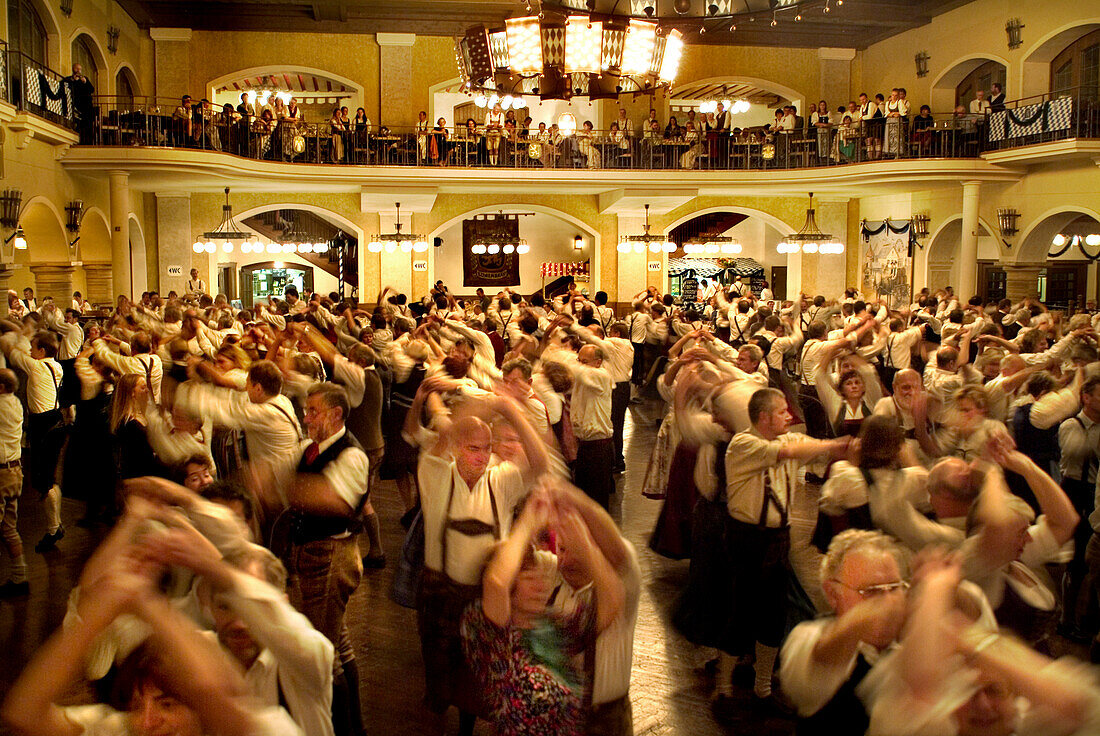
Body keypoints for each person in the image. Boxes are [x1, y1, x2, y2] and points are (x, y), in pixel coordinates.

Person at [406, 380, 549, 732]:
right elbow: (445, 434)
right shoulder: (436, 473)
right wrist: (491, 405)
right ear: (454, 449)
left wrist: (513, 412)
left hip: (486, 600)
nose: (483, 457)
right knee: (438, 689)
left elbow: (542, 463)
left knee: (481, 685)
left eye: (487, 449)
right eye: (473, 449)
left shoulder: (500, 480)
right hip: (440, 597)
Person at [716, 388, 847, 706]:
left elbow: (803, 446)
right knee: (741, 615)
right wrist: (837, 443)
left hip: (778, 538)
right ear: (763, 417)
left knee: (774, 614)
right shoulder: (744, 444)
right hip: (747, 537)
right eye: (782, 411)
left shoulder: (785, 440)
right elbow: (788, 454)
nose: (790, 416)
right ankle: (722, 690)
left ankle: (763, 689)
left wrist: (835, 446)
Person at [461, 484, 625, 736]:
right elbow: (496, 584)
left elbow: (612, 600)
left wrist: (582, 541)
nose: (540, 582)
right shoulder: (488, 634)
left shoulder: (549, 625)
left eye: (537, 572)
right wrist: (528, 521)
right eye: (527, 576)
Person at [0, 369, 26, 597]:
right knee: (9, 528)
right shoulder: (16, 402)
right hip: (14, 471)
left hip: (2, 474)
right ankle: (20, 576)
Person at [65, 63, 96, 144]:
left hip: (87, 105)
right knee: (78, 124)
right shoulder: (69, 79)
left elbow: (92, 90)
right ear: (73, 69)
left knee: (88, 124)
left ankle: (88, 142)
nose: (78, 71)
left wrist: (85, 82)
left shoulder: (85, 79)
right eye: (77, 69)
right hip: (76, 105)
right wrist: (74, 81)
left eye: (80, 69)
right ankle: (79, 141)